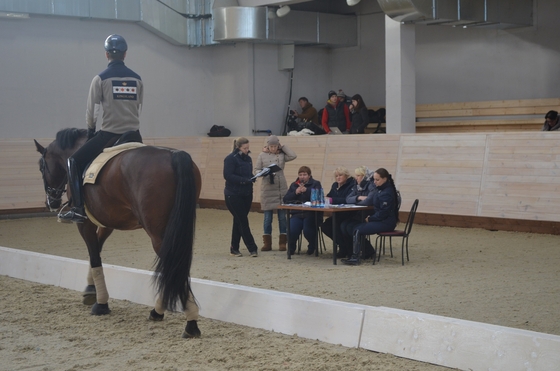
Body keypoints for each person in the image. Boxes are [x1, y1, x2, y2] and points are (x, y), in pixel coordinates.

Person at [58, 34, 143, 223]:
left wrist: (90, 130)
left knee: (73, 161)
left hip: (110, 134)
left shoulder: (100, 78)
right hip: (135, 135)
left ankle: (78, 209)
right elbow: (139, 107)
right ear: (125, 54)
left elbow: (92, 110)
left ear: (107, 55)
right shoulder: (137, 79)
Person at [341, 168, 399, 265]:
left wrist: (371, 218)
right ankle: (356, 253)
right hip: (379, 219)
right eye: (374, 180)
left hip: (386, 222)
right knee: (349, 226)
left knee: (357, 229)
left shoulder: (387, 193)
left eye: (377, 180)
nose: (374, 182)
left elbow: (384, 213)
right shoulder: (380, 189)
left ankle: (356, 257)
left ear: (385, 179)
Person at [255, 135, 297, 252]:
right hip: (268, 187)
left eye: (275, 146)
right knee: (267, 218)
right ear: (268, 146)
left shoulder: (282, 154)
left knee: (282, 217)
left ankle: (282, 242)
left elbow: (293, 155)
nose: (273, 148)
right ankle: (267, 242)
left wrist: (283, 147)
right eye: (271, 146)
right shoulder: (262, 155)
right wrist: (263, 172)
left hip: (280, 187)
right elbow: (256, 169)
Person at [223, 137, 259, 257]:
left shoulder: (248, 159)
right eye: (245, 148)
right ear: (238, 147)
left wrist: (254, 176)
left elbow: (248, 174)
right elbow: (228, 175)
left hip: (247, 193)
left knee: (238, 220)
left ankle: (234, 248)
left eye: (248, 148)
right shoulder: (230, 159)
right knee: (243, 221)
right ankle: (252, 247)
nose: (247, 150)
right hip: (233, 194)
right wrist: (244, 181)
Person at [283, 166, 323, 255]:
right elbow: (285, 199)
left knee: (308, 230)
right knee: (292, 229)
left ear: (309, 175)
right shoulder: (294, 185)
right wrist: (295, 192)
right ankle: (291, 248)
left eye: (304, 175)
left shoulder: (316, 184)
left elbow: (319, 198)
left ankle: (312, 245)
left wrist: (307, 191)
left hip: (311, 214)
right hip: (297, 214)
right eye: (300, 175)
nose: (302, 177)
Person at [320, 167, 356, 246]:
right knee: (325, 226)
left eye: (340, 175)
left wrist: (332, 200)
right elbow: (330, 196)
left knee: (337, 225)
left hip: (349, 214)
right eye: (336, 176)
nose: (338, 177)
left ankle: (346, 248)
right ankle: (342, 245)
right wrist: (325, 198)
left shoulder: (352, 185)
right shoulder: (335, 185)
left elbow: (347, 200)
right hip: (337, 213)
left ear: (346, 176)